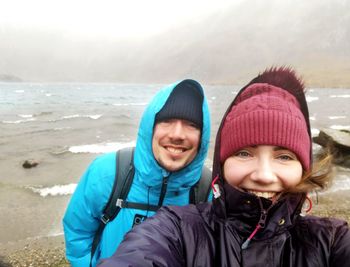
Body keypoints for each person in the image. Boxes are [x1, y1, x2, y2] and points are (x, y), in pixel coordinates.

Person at [98, 67, 350, 267]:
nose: (263, 175)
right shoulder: (177, 229)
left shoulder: (332, 240)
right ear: (222, 161)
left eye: (284, 156)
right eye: (243, 153)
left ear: (304, 166)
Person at [63, 79, 211, 267]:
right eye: (166, 121)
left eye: (191, 124)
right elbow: (78, 231)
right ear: (150, 126)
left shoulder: (207, 189)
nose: (177, 134)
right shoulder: (108, 172)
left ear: (202, 135)